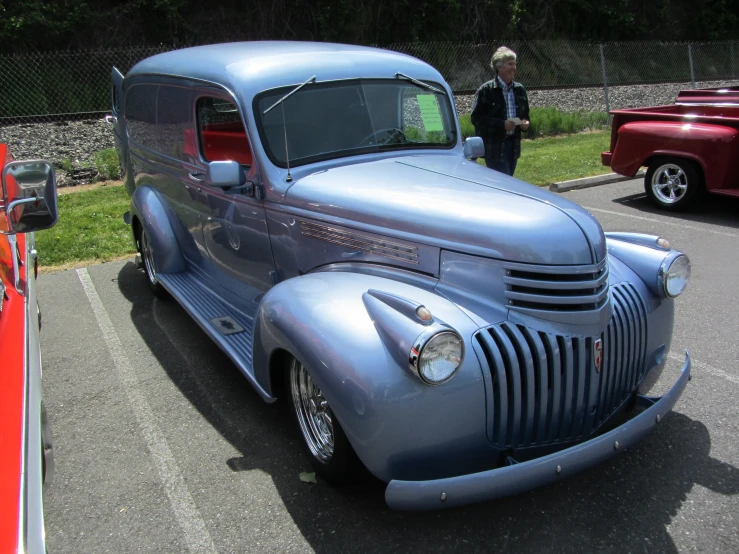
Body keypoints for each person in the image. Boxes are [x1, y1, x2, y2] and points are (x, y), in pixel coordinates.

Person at [470, 46, 530, 176]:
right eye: (510, 64)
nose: (514, 67)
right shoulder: (486, 90)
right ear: (499, 67)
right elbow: (476, 119)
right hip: (495, 148)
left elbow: (525, 115)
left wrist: (525, 124)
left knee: (508, 181)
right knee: (503, 184)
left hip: (513, 147)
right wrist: (502, 125)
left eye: (515, 64)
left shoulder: (520, 90)